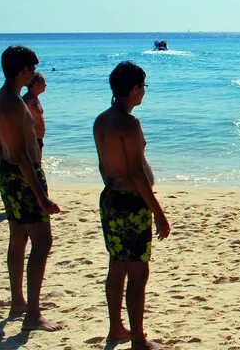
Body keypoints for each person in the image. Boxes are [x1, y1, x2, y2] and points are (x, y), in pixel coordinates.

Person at [93, 62, 171, 349]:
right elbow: (137, 173)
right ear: (135, 88)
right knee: (138, 273)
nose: (144, 93)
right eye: (143, 87)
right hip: (130, 202)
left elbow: (104, 165)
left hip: (111, 197)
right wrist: (158, 213)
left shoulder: (102, 120)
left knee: (117, 265)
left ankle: (116, 328)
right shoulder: (129, 124)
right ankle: (138, 339)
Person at [0, 46, 61, 331]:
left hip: (7, 173)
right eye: (31, 69)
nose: (33, 74)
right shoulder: (14, 103)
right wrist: (41, 197)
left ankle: (18, 301)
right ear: (21, 70)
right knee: (42, 242)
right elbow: (21, 154)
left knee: (18, 235)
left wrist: (6, 170)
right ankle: (32, 313)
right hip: (23, 173)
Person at [23, 72, 47, 154]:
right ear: (36, 85)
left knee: (38, 165)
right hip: (32, 140)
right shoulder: (27, 100)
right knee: (35, 165)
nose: (46, 85)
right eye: (43, 82)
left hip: (38, 139)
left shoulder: (35, 99)